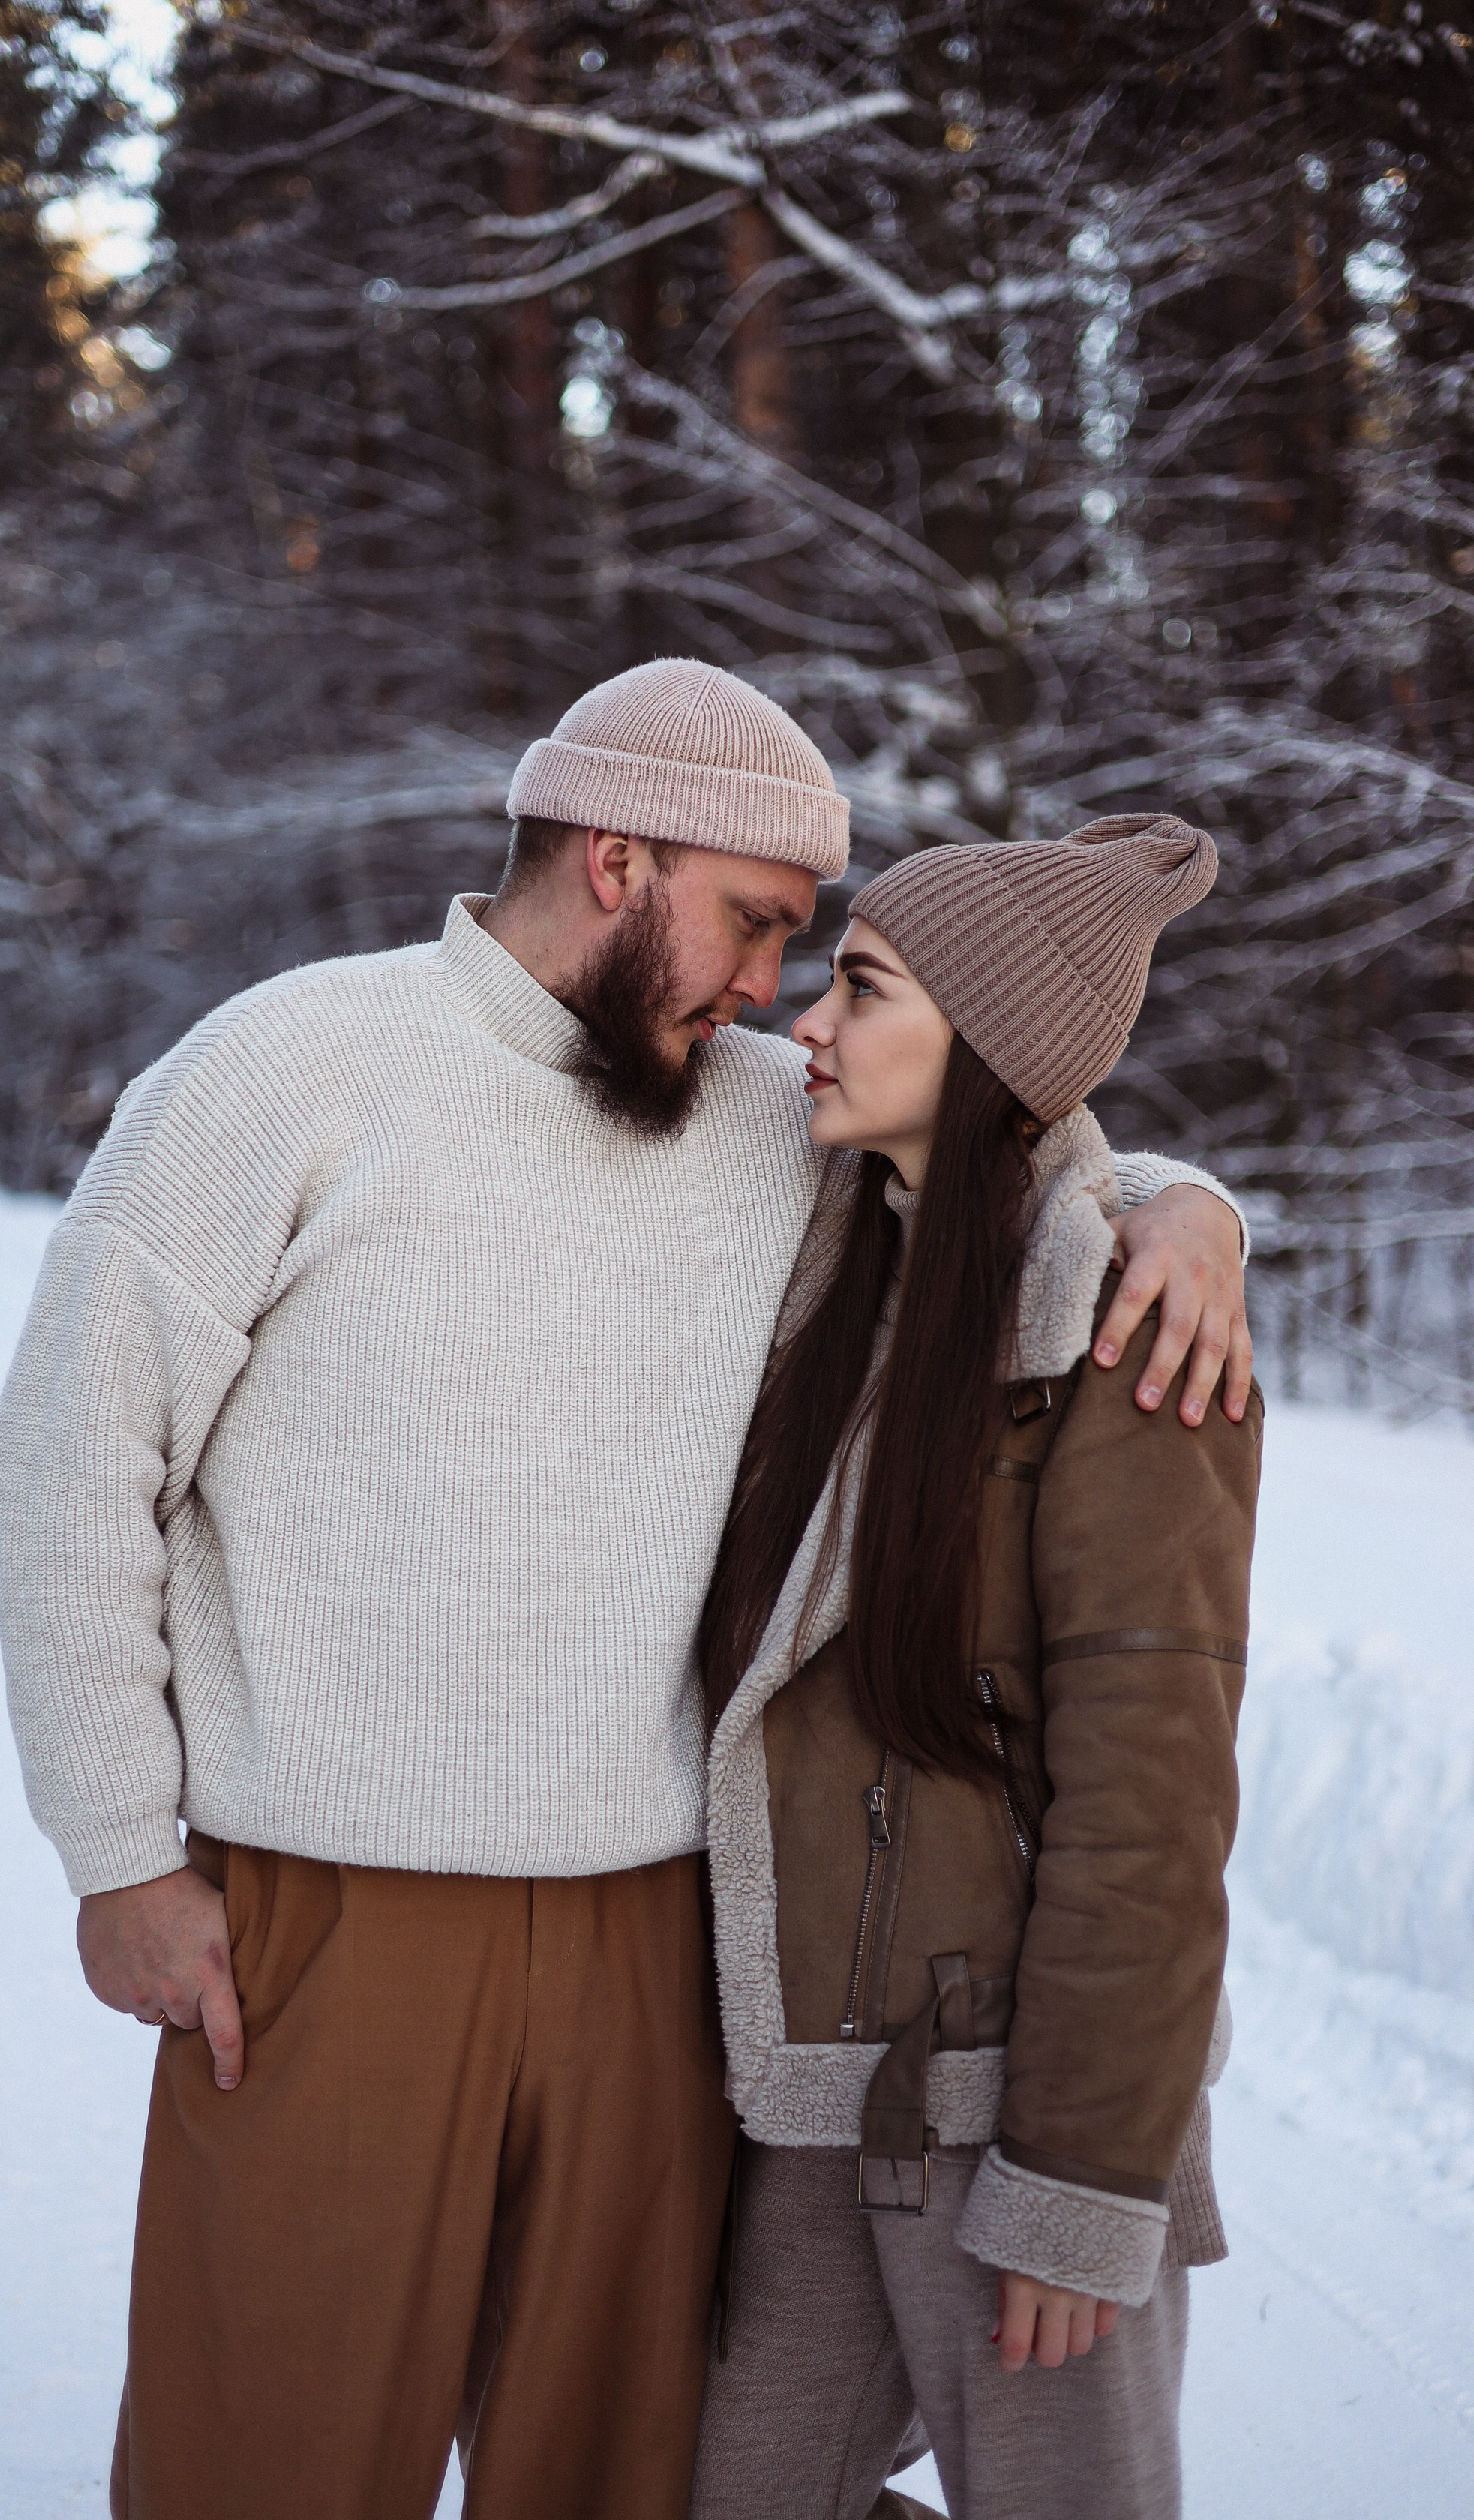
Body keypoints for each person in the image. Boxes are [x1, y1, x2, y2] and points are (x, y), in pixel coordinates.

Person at [0, 662, 1252, 2520]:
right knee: (263, 2461)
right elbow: (65, 1474)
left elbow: (1002, 1139)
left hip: (664, 1956)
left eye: (806, 956)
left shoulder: (757, 1121)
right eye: (754, 930)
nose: (770, 994)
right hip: (331, 1928)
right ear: (617, 855)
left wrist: (1187, 1203)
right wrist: (118, 1851)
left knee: (614, 2479)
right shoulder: (285, 1069)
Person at [690, 815, 1263, 2520]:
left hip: (1015, 2116)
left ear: (986, 1044)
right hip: (810, 2099)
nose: (801, 1020)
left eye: (856, 987)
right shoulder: (840, 1261)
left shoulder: (1132, 1339)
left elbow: (1147, 1808)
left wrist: (1080, 2183)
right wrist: (1189, 1189)